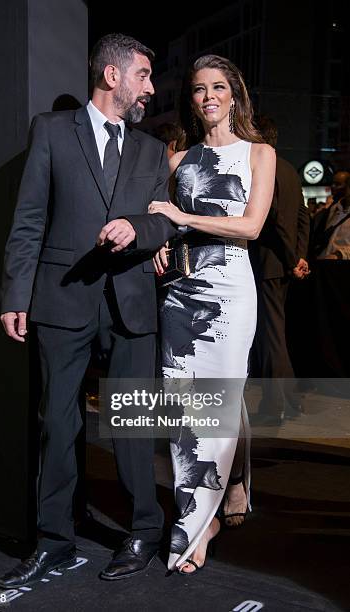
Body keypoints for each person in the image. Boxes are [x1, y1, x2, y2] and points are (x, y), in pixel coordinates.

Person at [0, 33, 178, 588]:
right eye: (143, 75)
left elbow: (166, 222)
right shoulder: (50, 132)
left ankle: (145, 531)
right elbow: (29, 219)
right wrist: (16, 295)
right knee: (58, 423)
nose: (150, 87)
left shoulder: (151, 149)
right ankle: (54, 540)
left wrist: (138, 228)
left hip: (130, 303)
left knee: (131, 427)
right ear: (112, 76)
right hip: (61, 297)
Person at [149, 54, 276, 573]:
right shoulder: (176, 160)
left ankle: (203, 524)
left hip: (229, 291)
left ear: (234, 95)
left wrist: (181, 216)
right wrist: (161, 238)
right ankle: (202, 507)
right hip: (180, 293)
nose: (208, 97)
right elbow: (158, 219)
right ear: (192, 99)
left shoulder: (259, 154)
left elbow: (250, 228)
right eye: (200, 89)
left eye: (218, 87)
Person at [249, 116, 310, 426]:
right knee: (276, 334)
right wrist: (300, 256)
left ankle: (275, 405)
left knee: (270, 336)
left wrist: (290, 259)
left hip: (269, 264)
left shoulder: (266, 167)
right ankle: (291, 399)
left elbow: (274, 220)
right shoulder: (288, 168)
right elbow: (302, 216)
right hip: (281, 265)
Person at [312, 173, 350, 260]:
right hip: (322, 263)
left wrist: (339, 255)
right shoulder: (333, 209)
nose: (333, 187)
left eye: (338, 184)